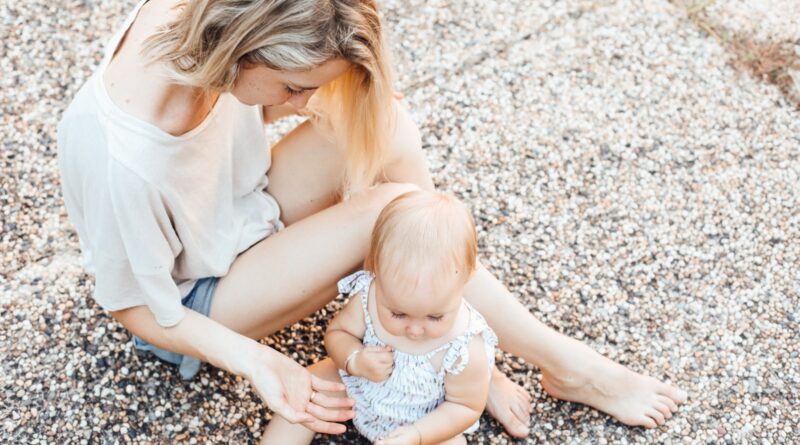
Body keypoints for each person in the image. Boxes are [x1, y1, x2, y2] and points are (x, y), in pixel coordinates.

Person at [57, 0, 687, 437]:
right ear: (239, 53)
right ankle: (546, 360)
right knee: (390, 212)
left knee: (384, 118)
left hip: (240, 209)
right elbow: (135, 310)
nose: (305, 104)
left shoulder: (208, 24)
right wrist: (259, 361)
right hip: (196, 299)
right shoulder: (121, 155)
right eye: (293, 88)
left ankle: (451, 335)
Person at [262, 191, 497, 445]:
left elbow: (464, 407)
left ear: (467, 279)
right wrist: (353, 359)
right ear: (375, 272)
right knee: (307, 388)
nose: (415, 330)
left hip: (425, 422)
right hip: (359, 388)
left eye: (435, 316)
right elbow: (338, 334)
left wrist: (417, 435)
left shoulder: (464, 348)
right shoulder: (369, 297)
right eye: (398, 313)